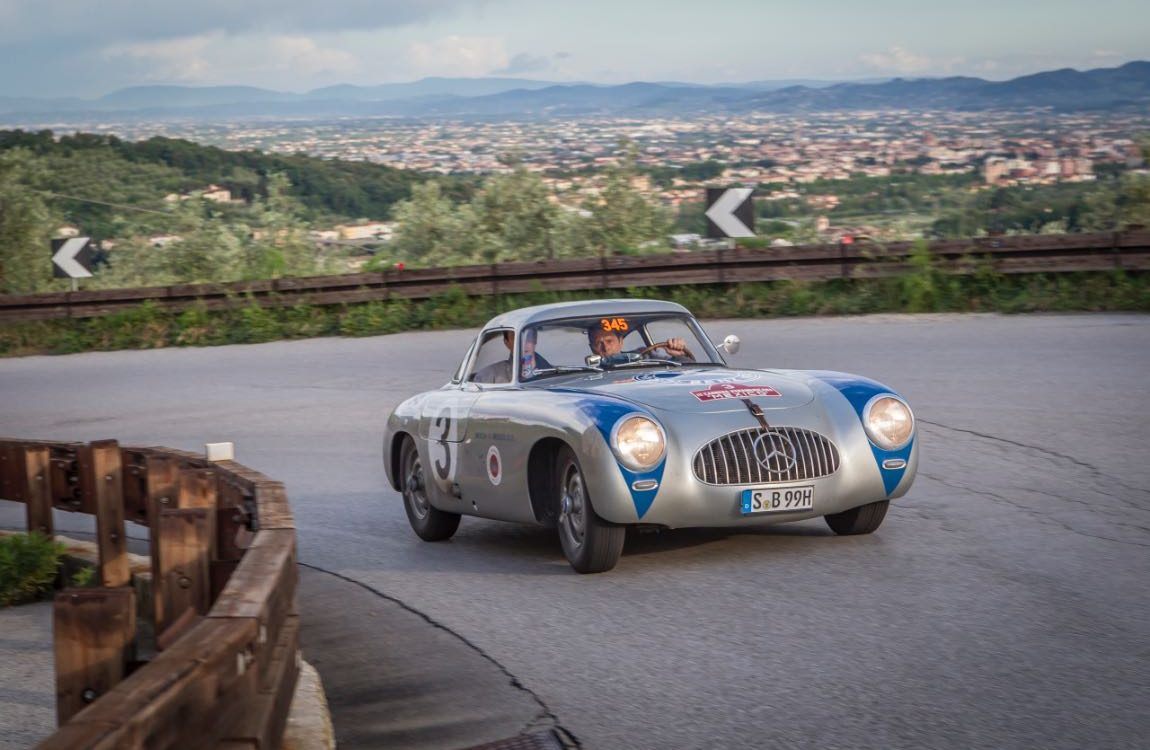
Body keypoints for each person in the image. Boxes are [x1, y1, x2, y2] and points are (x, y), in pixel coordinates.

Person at [473, 328, 551, 383]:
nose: (522, 343)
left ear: (535, 339)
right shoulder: (487, 377)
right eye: (515, 337)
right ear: (506, 342)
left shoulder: (552, 374)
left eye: (528, 337)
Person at [587, 323, 693, 362]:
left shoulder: (644, 356)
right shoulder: (590, 372)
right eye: (598, 343)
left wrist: (680, 356)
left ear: (621, 342)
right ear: (592, 348)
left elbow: (686, 374)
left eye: (609, 341)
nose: (606, 348)